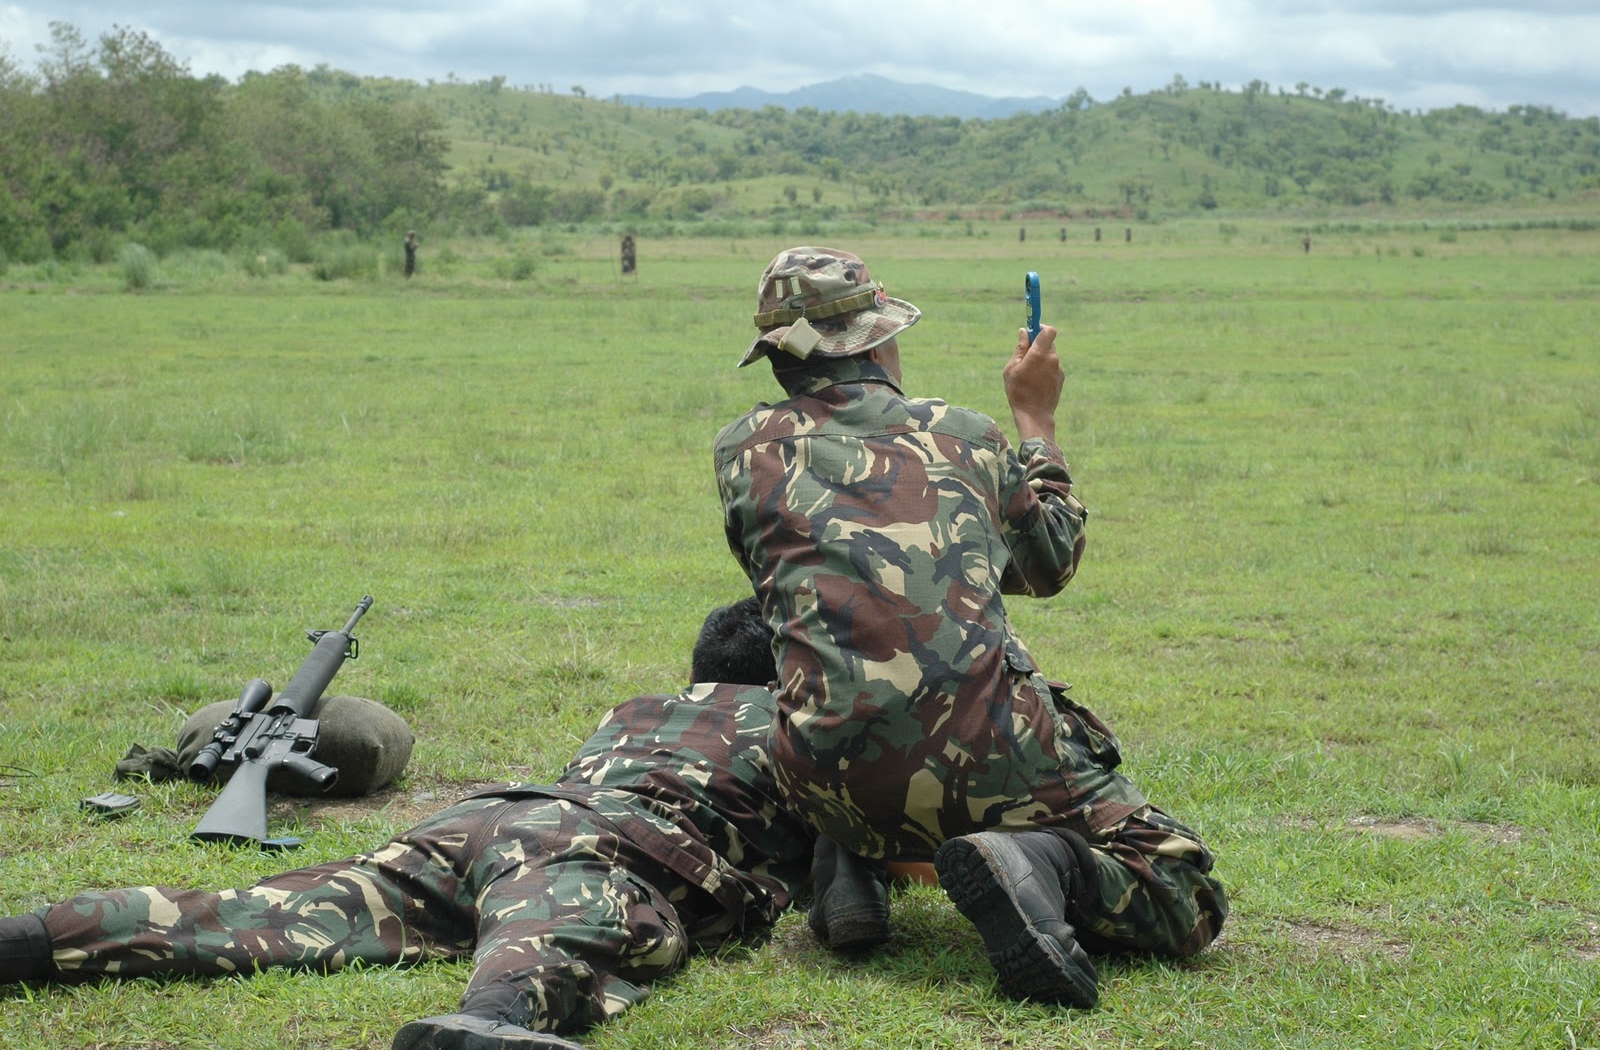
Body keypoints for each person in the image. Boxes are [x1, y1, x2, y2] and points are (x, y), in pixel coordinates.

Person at [714, 247, 1227, 1008]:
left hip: (820, 773)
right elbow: (1047, 564)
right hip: (986, 758)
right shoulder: (966, 436)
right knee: (1185, 889)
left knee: (847, 693)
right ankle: (1041, 862)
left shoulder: (740, 451)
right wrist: (1037, 421)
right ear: (875, 342)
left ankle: (849, 856)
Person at [0, 600, 812, 1050]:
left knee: (259, 913)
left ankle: (40, 937)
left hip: (482, 821)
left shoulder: (635, 710)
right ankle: (486, 1027)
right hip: (596, 847)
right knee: (558, 929)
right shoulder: (799, 729)